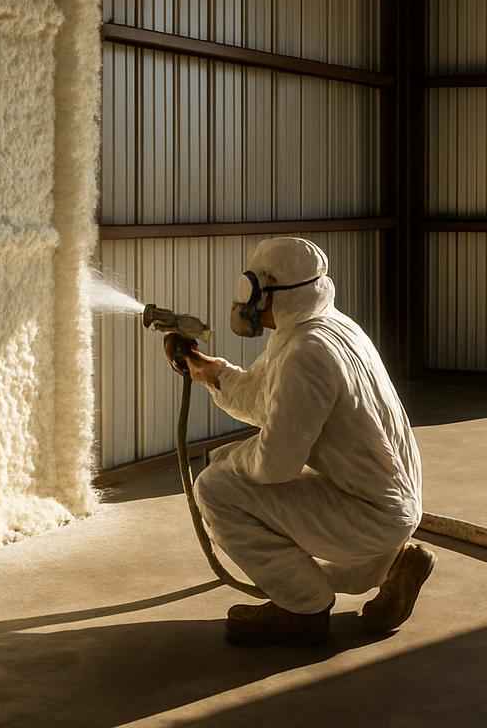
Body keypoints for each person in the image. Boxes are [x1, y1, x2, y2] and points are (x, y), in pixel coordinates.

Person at [166, 237, 433, 647]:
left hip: (369, 513)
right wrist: (211, 372)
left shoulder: (305, 354)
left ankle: (301, 610)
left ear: (273, 291)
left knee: (216, 488)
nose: (247, 301)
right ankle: (396, 564)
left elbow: (276, 465)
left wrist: (226, 460)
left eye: (253, 290)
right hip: (383, 501)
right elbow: (262, 394)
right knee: (238, 470)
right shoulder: (324, 328)